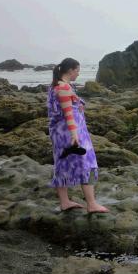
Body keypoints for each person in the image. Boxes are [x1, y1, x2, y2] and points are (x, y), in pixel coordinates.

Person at [47, 58, 109, 213]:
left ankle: (65, 202)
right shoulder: (64, 88)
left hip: (60, 134)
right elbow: (68, 114)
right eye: (77, 70)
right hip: (71, 133)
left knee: (62, 164)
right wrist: (75, 135)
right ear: (71, 70)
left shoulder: (56, 86)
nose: (78, 74)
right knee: (87, 163)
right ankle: (92, 204)